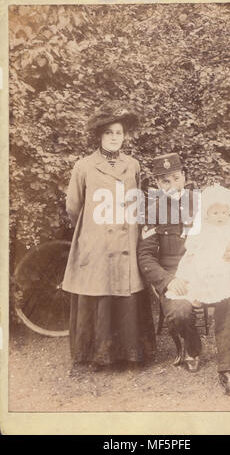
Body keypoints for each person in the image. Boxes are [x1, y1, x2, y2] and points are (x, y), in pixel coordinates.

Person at [137, 153, 230, 397]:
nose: (173, 185)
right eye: (165, 181)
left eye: (176, 178)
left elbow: (229, 229)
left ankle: (229, 370)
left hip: (208, 270)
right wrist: (168, 281)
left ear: (184, 177)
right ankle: (192, 343)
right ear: (157, 184)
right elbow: (145, 257)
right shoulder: (152, 211)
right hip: (176, 276)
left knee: (228, 300)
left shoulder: (202, 205)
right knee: (180, 311)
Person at [62, 100, 156, 373]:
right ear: (99, 136)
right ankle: (96, 356)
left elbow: (136, 200)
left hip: (126, 239)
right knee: (98, 292)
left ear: (125, 136)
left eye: (119, 133)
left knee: (127, 291)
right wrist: (91, 229)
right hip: (97, 240)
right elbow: (73, 206)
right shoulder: (84, 166)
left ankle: (130, 356)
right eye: (109, 133)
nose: (115, 138)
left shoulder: (133, 164)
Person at [165, 184, 230, 305]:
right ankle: (197, 295)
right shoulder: (203, 228)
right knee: (195, 272)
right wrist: (192, 251)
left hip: (224, 259)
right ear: (207, 214)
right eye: (215, 213)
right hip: (205, 259)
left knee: (226, 274)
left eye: (224, 212)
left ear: (229, 212)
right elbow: (192, 240)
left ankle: (222, 295)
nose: (220, 216)